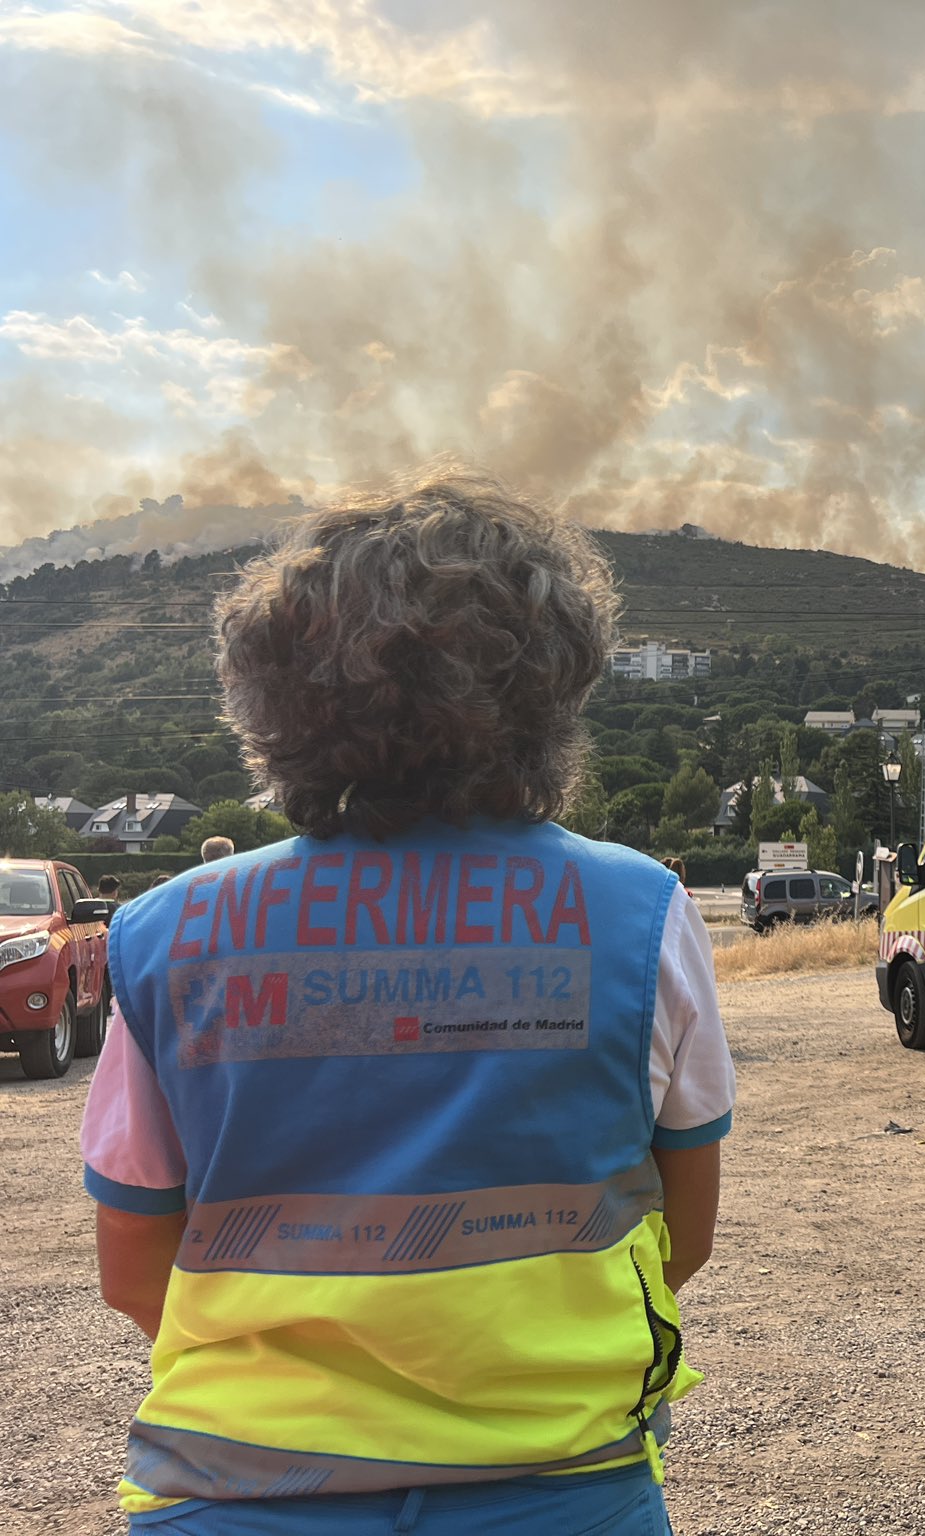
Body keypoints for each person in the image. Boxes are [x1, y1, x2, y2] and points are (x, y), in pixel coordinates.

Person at [79, 470, 735, 1534]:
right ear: (550, 687)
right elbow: (683, 1235)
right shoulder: (639, 911)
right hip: (561, 1486)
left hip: (237, 1489)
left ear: (271, 694)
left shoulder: (164, 933)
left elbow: (131, 1267)